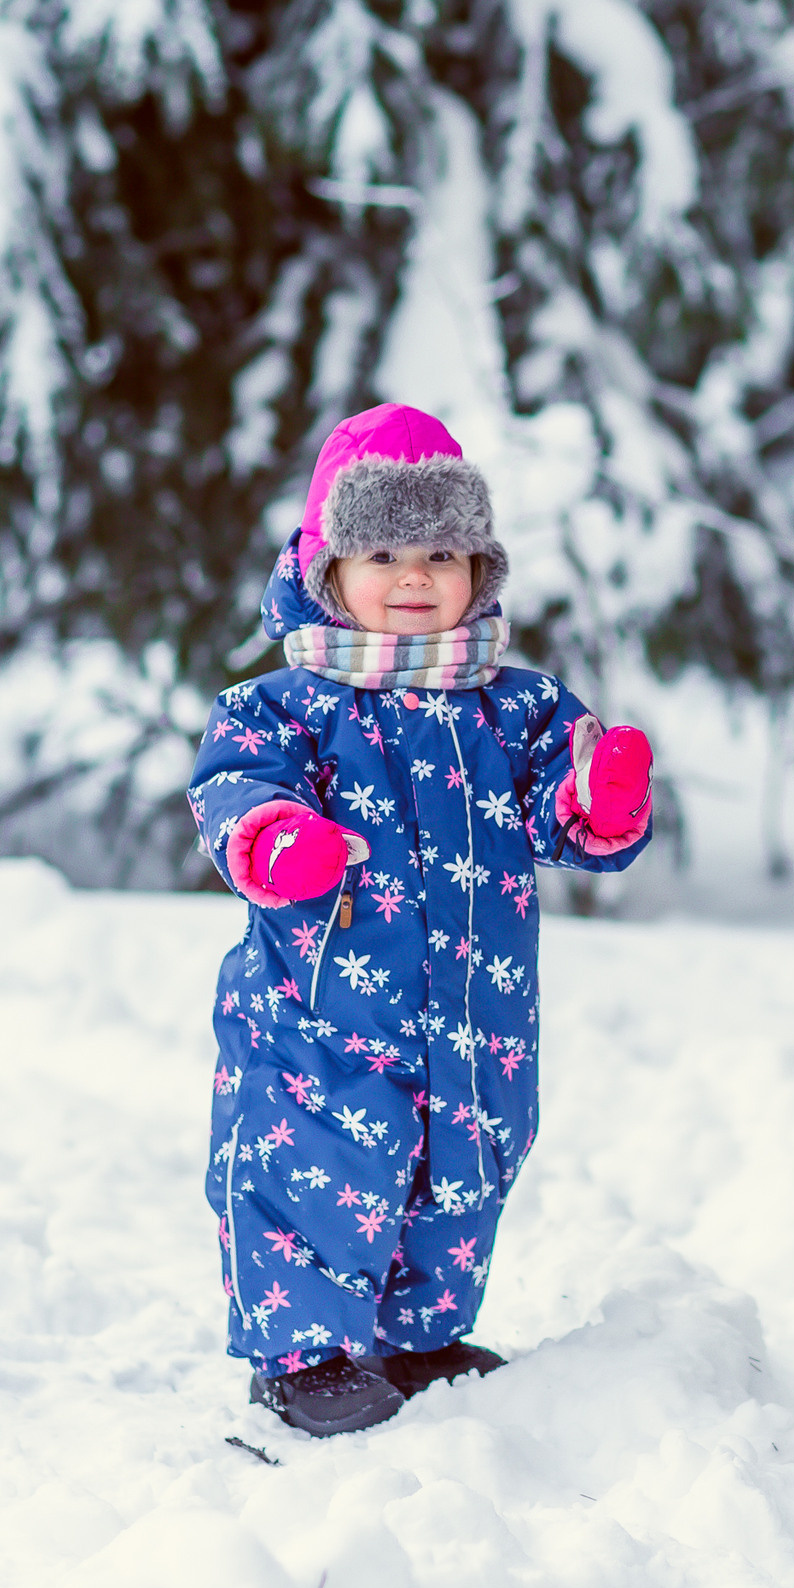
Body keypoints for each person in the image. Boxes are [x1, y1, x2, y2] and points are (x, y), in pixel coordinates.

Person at [186, 404, 653, 1437]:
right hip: (324, 1024)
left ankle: (416, 1335)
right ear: (325, 568)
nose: (413, 577)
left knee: (464, 1169)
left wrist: (602, 800)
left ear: (478, 571)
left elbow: (563, 811)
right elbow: (233, 795)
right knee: (319, 1170)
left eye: (442, 551)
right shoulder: (282, 708)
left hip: (477, 1022)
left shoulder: (516, 706)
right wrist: (278, 841)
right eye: (382, 551)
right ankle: (302, 1354)